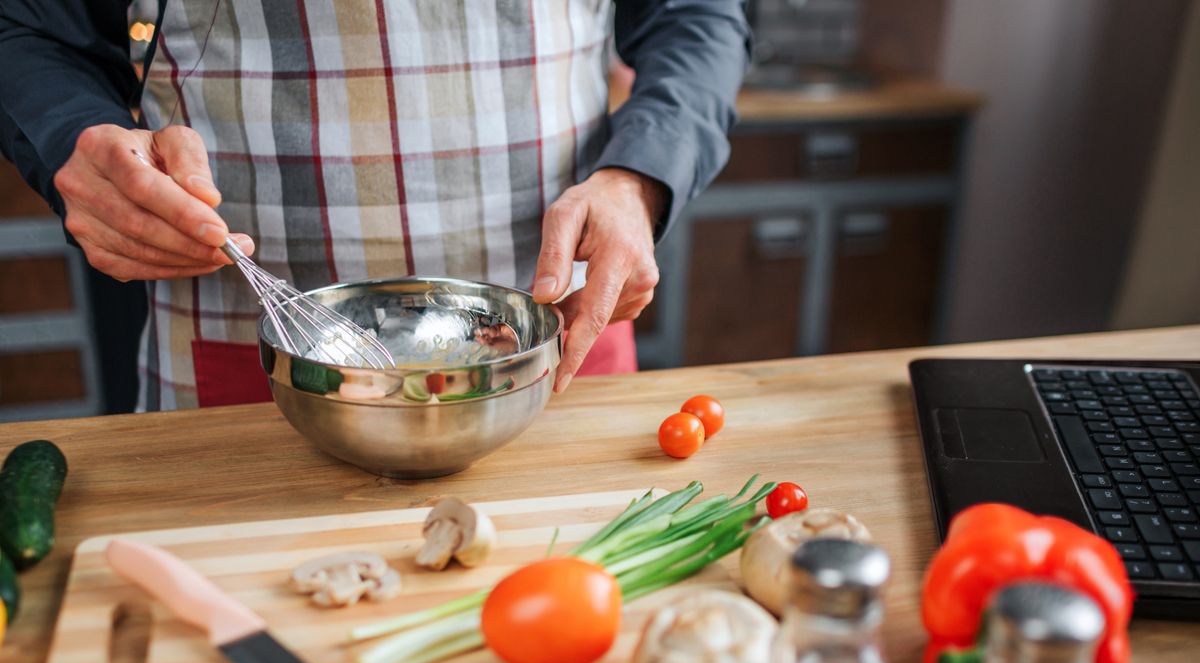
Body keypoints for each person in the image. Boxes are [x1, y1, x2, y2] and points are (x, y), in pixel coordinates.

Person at [0, 1, 749, 410]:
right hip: (252, 369)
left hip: (557, 343)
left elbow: (696, 13)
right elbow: (25, 26)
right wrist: (68, 131)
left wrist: (639, 177)